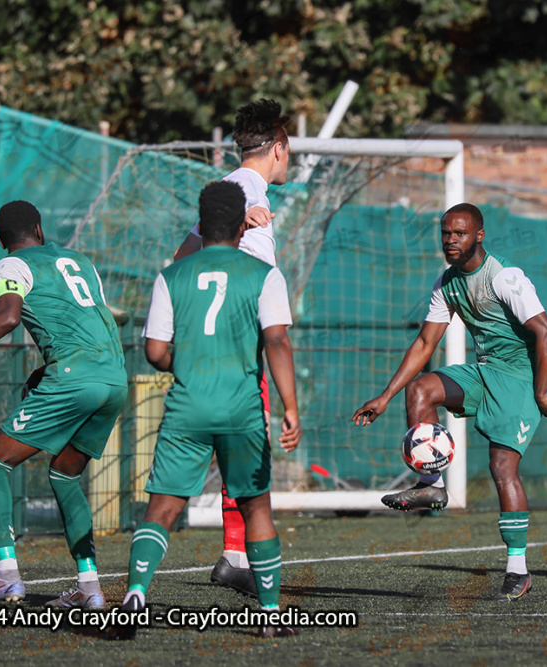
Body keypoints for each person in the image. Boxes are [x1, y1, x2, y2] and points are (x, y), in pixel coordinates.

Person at [352, 203, 547, 601]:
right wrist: (385, 397)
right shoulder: (447, 282)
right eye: (446, 233)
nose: (451, 241)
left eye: (460, 233)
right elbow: (424, 343)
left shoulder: (505, 278)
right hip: (484, 371)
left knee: (502, 469)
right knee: (420, 390)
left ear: (479, 236)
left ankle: (518, 569)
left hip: (519, 380)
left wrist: (541, 394)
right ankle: (431, 486)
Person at [0, 200, 128, 608]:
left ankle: (6, 577)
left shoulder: (11, 266)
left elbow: (7, 318)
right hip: (114, 376)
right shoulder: (80, 260)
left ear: (2, 242)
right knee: (66, 476)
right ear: (39, 227)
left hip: (75, 378)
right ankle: (89, 588)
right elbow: (101, 319)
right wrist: (46, 371)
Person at [122, 180, 300, 637]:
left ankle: (135, 595)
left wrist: (192, 364)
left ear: (202, 225)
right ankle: (270, 616)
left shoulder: (171, 275)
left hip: (187, 405)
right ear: (244, 224)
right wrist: (290, 407)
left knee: (161, 508)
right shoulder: (264, 273)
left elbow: (155, 351)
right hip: (241, 405)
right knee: (257, 508)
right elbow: (277, 341)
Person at [173, 99, 292, 598]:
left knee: (220, 454)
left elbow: (180, 258)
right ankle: (247, 569)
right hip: (238, 348)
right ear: (280, 149)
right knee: (247, 455)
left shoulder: (226, 192)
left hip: (206, 348)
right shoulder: (247, 193)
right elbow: (264, 293)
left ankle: (233, 557)